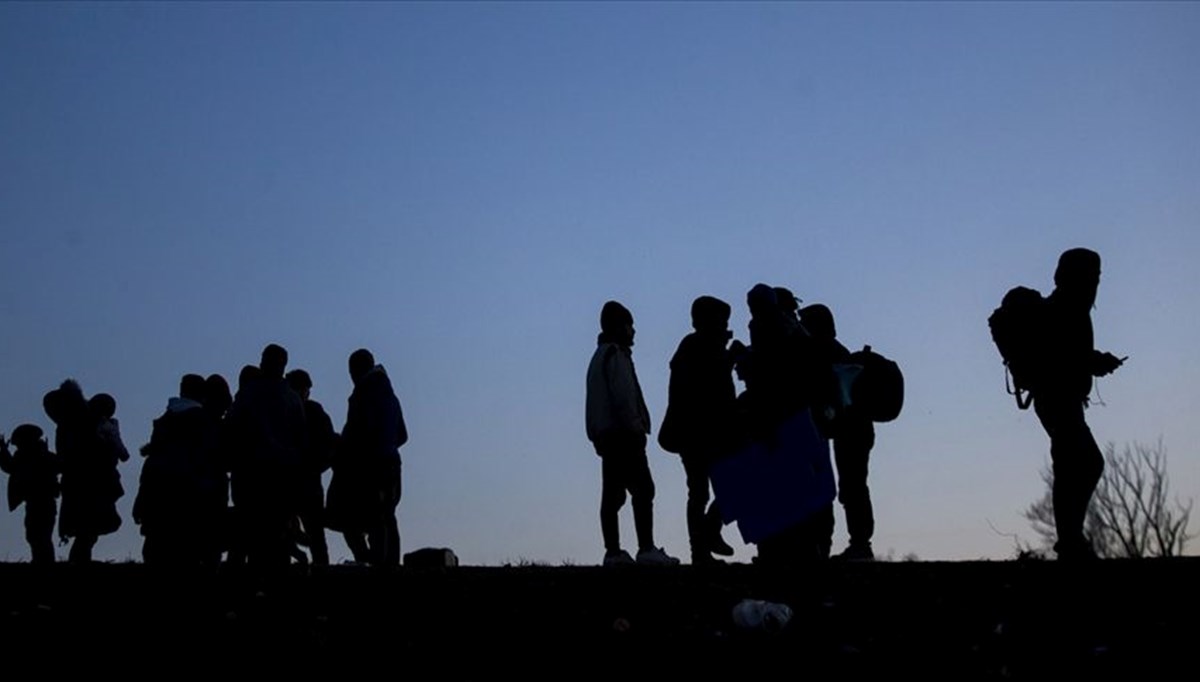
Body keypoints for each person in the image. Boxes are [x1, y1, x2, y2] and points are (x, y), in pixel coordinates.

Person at [1031, 248, 1124, 561]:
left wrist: (1094, 362)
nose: (1095, 282)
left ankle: (1070, 540)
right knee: (1083, 463)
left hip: (1059, 398)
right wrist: (1097, 362)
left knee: (1073, 464)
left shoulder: (1067, 306)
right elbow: (1064, 356)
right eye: (1092, 276)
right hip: (1056, 398)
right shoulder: (1066, 308)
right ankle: (1070, 541)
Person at [586, 301, 678, 567]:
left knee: (613, 495)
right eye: (630, 325)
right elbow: (624, 397)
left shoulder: (599, 357)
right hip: (623, 434)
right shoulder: (615, 355)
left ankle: (613, 552)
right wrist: (636, 427)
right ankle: (645, 548)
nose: (633, 331)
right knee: (643, 489)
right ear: (619, 326)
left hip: (607, 436)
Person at [660, 296, 737, 565]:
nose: (725, 326)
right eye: (722, 320)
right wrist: (728, 358)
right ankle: (702, 545)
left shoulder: (700, 347)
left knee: (715, 491)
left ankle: (704, 540)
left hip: (703, 433)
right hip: (700, 434)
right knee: (707, 491)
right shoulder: (696, 347)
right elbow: (708, 387)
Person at [800, 303, 876, 561]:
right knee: (852, 486)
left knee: (852, 487)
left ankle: (860, 544)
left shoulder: (824, 352)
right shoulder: (836, 351)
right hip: (854, 429)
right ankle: (859, 543)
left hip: (850, 430)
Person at [328, 348, 406, 566]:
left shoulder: (362, 395)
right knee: (388, 517)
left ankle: (375, 565)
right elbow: (403, 434)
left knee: (368, 518)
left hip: (372, 465)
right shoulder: (391, 397)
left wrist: (344, 450)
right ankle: (390, 565)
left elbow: (358, 433)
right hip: (392, 462)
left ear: (354, 371)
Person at [286, 368, 337, 566]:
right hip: (309, 485)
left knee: (284, 533)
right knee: (316, 537)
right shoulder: (316, 412)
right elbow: (330, 447)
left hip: (289, 482)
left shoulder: (286, 411)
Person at [0, 425, 61, 564]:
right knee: (37, 535)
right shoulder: (39, 455)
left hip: (41, 502)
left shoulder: (34, 456)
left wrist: (3, 451)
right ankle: (42, 560)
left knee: (39, 535)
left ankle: (43, 562)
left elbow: (10, 466)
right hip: (39, 502)